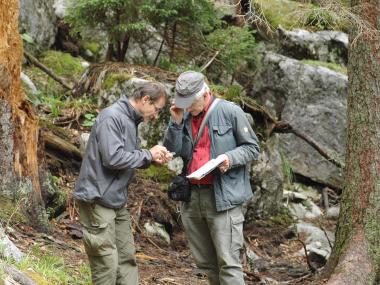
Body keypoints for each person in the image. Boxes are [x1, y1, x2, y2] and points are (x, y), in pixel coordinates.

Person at [163, 71, 260, 285]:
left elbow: (252, 148)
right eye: (184, 103)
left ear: (206, 94)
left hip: (221, 198)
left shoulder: (230, 111)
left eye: (190, 103)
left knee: (228, 262)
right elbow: (170, 150)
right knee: (206, 263)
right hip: (192, 198)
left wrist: (229, 157)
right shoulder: (183, 114)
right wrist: (176, 122)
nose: (187, 108)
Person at [74, 82, 173, 285]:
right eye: (156, 109)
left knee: (126, 258)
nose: (155, 116)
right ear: (146, 100)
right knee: (106, 263)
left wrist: (151, 159)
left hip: (117, 200)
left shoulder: (130, 120)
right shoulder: (112, 116)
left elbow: (126, 157)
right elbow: (113, 158)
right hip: (98, 198)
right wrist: (147, 154)